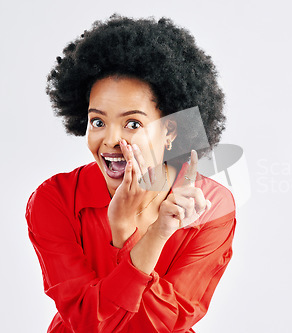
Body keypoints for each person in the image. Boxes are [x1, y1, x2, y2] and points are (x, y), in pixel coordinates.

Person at [25, 14, 236, 333]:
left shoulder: (212, 206)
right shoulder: (55, 199)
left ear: (170, 132)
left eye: (133, 124)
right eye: (98, 121)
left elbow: (169, 322)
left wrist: (134, 234)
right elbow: (85, 322)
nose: (109, 140)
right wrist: (139, 232)